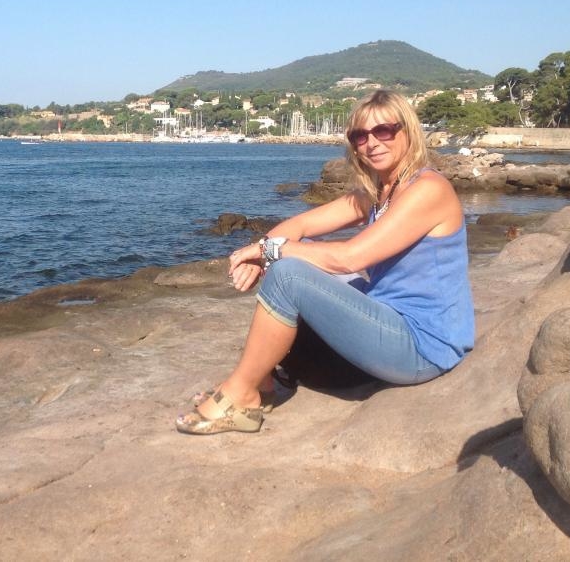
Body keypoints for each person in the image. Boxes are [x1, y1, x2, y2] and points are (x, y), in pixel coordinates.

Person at [175, 89, 474, 435]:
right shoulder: (380, 191)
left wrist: (273, 252)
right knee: (297, 257)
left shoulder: (427, 189)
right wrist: (260, 252)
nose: (372, 143)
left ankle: (241, 395)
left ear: (408, 131)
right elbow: (302, 225)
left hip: (424, 344)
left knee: (289, 273)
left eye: (384, 130)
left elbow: (350, 258)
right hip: (389, 317)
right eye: (360, 135)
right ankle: (260, 382)